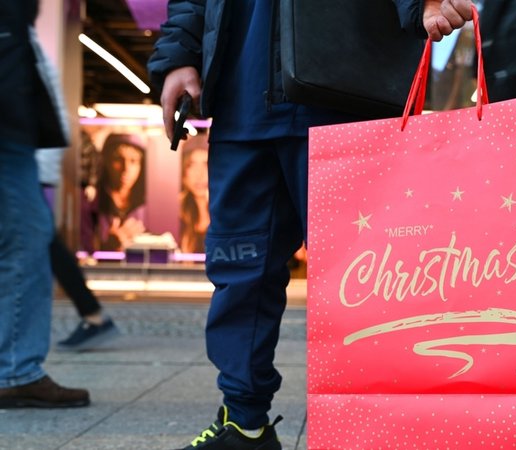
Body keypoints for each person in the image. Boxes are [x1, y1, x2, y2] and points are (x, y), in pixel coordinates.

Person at [148, 0, 474, 448]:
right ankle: (245, 424)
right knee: (240, 276)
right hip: (243, 103)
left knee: (367, 280)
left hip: (345, 94)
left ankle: (376, 426)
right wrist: (180, 56)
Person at [0, 0, 90, 408]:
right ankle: (15, 370)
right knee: (25, 239)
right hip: (8, 124)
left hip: (14, 123)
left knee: (26, 237)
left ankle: (15, 367)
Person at [35, 147, 122, 351]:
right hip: (26, 172)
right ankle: (93, 314)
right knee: (45, 244)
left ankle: (93, 314)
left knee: (47, 244)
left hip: (25, 173)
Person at [96, 133, 147, 251]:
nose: (126, 169)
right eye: (118, 159)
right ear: (106, 161)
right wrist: (109, 246)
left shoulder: (147, 207)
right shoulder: (92, 204)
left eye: (133, 161)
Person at [178, 134, 210, 254]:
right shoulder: (174, 210)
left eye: (206, 164)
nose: (199, 174)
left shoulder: (226, 210)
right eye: (191, 165)